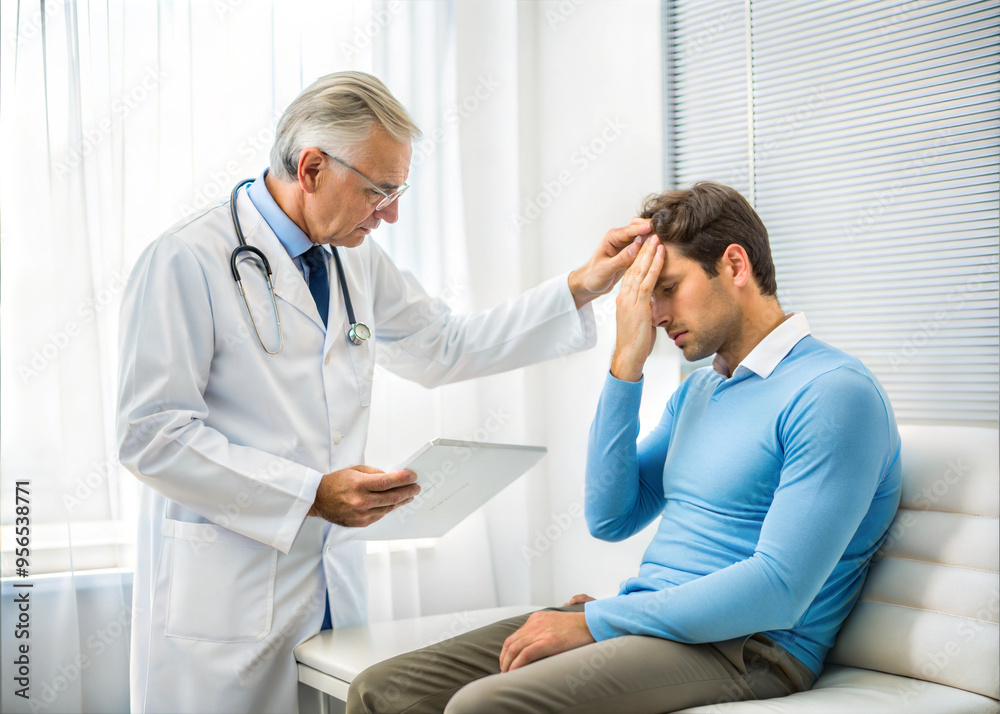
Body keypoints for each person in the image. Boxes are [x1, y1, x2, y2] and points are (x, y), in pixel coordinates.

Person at [116, 71, 651, 714]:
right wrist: (309, 494)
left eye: (399, 190)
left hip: (326, 582)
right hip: (225, 591)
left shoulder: (354, 258)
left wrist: (583, 286)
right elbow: (150, 435)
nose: (391, 213)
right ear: (312, 167)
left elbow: (445, 346)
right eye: (379, 190)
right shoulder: (185, 259)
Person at [347, 181, 902, 714]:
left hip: (751, 648)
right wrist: (624, 367)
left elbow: (779, 590)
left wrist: (599, 621)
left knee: (482, 705)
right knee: (382, 692)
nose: (655, 316)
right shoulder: (702, 391)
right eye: (646, 296)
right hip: (648, 619)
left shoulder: (832, 393)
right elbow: (611, 516)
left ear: (735, 266)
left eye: (667, 289)